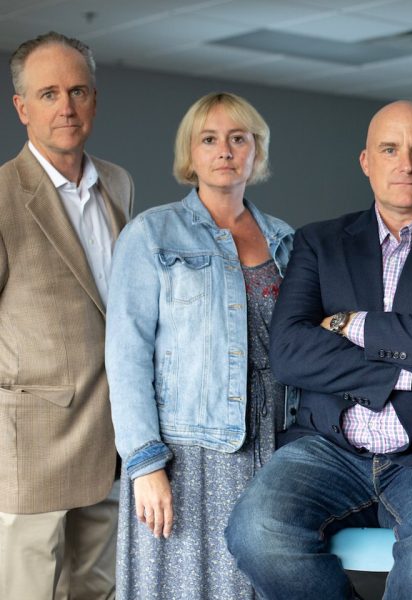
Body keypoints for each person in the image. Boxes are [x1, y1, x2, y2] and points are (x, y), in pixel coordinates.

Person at [225, 100, 412, 599]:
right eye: (390, 149)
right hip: (329, 448)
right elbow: (291, 350)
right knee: (255, 534)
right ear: (366, 162)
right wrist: (407, 365)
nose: (406, 164)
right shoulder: (319, 243)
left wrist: (351, 324)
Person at [105, 92, 294, 599]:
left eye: (239, 139)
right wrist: (144, 465)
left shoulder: (286, 241)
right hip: (185, 457)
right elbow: (126, 357)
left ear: (258, 152)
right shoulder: (150, 234)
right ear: (189, 154)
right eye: (209, 139)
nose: (225, 150)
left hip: (272, 451)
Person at [0, 31, 134, 600]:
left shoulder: (118, 183)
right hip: (31, 436)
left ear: (95, 100)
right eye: (49, 93)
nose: (67, 107)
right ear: (22, 107)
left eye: (78, 91)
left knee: (97, 589)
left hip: (111, 431)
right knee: (25, 591)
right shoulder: (2, 193)